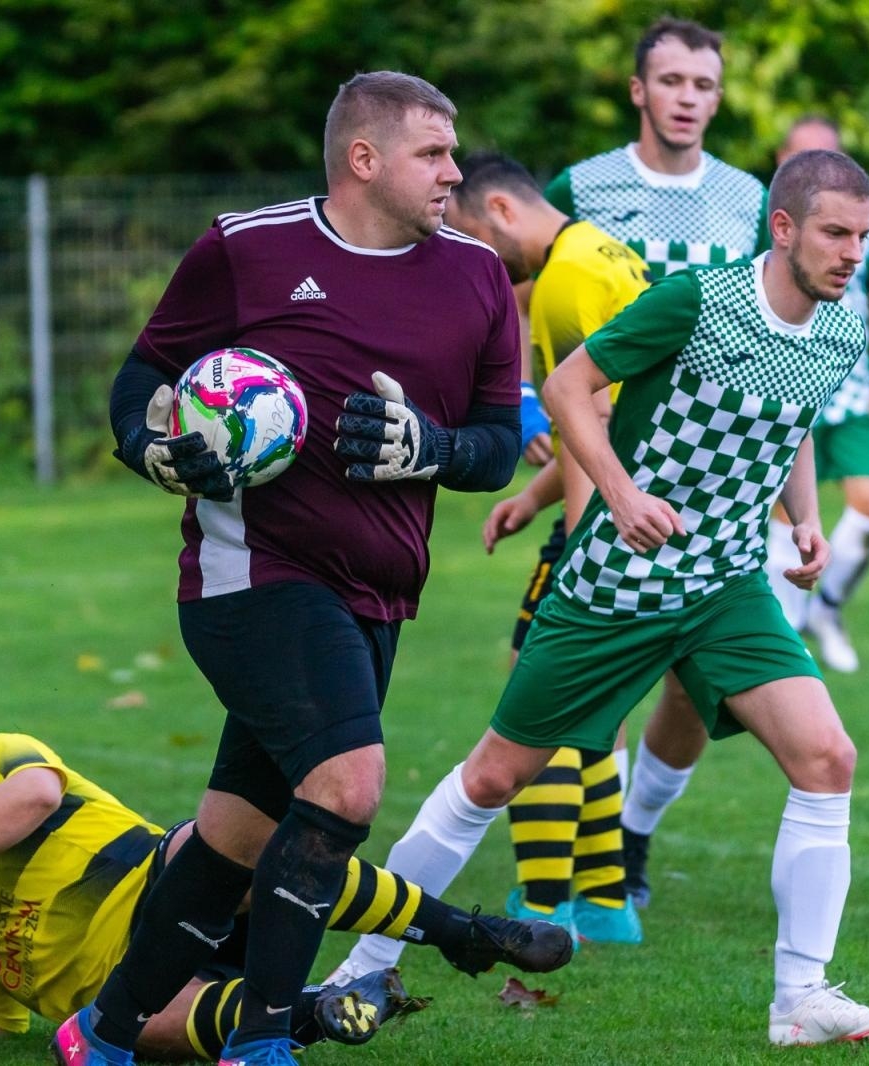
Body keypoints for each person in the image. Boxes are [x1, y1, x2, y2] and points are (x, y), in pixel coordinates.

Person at [338, 149, 869, 1046]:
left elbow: (791, 423)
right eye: (836, 234)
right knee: (493, 776)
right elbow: (570, 385)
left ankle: (800, 1000)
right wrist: (617, 492)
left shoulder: (840, 330)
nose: (852, 253)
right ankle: (363, 964)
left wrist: (803, 519)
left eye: (863, 237)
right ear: (784, 228)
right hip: (617, 585)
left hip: (726, 583)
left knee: (827, 757)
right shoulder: (697, 301)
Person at [60, 71, 546, 1066]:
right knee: (349, 784)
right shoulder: (248, 248)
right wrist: (154, 446)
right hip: (253, 577)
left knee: (236, 836)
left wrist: (427, 446)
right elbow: (141, 383)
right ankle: (263, 1041)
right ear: (363, 159)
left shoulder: (476, 279)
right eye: (432, 153)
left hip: (379, 595)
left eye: (453, 153)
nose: (455, 172)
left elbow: (499, 442)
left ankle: (101, 1034)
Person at [0, 711, 572, 1059]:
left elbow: (39, 796)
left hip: (180, 893)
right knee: (104, 1027)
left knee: (229, 849)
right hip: (139, 992)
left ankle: (465, 935)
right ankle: (320, 1015)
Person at [540, 16, 771, 918]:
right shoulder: (583, 186)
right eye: (670, 81)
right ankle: (586, 872)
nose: (687, 99)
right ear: (639, 90)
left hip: (716, 468)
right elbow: (529, 292)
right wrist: (531, 409)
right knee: (601, 654)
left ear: (717, 96)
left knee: (694, 677)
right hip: (602, 455)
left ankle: (633, 830)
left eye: (703, 85)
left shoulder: (752, 200)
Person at [439, 150, 651, 946]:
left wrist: (578, 553)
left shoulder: (561, 284)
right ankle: (607, 905)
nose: (478, 259)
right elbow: (613, 411)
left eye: (469, 234)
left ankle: (540, 903)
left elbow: (589, 425)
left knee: (540, 701)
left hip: (610, 526)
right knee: (596, 712)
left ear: (498, 209)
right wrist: (532, 499)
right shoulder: (600, 249)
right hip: (644, 509)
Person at [761, 116, 869, 673]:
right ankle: (787, 633)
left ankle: (827, 608)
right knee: (785, 515)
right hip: (787, 378)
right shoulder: (768, 217)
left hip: (854, 382)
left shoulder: (866, 218)